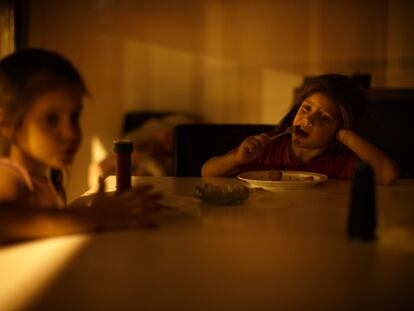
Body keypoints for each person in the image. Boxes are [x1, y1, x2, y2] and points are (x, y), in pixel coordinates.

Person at [0, 48, 162, 243]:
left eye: (74, 116)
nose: (70, 133)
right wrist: (97, 216)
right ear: (7, 124)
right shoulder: (9, 176)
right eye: (51, 119)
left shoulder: (37, 179)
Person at [201, 74, 399, 185]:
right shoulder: (269, 146)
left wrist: (345, 135)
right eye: (306, 108)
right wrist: (237, 159)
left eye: (324, 118)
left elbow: (387, 174)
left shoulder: (340, 163)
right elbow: (207, 172)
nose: (308, 120)